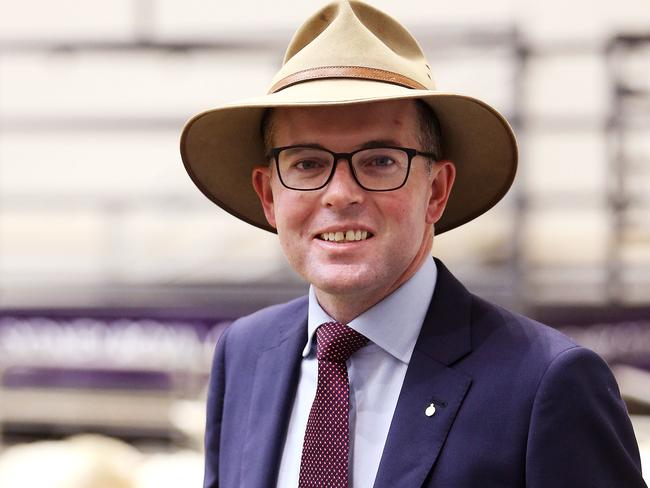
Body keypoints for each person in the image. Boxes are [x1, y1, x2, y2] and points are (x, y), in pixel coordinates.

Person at [180, 1, 646, 487]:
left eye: (380, 161)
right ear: (268, 196)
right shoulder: (245, 354)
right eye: (307, 163)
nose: (340, 194)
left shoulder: (547, 384)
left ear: (437, 191)